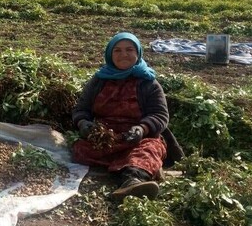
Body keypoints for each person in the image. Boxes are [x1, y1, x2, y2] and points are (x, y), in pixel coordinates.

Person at [71, 32, 183, 202]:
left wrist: (141, 128)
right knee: (80, 149)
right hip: (106, 137)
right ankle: (124, 168)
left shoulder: (148, 82)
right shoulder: (99, 80)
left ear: (137, 53)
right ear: (110, 55)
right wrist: (83, 123)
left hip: (138, 138)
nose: (124, 54)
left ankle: (132, 180)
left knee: (149, 150)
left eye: (129, 50)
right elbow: (81, 109)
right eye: (117, 51)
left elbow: (160, 114)